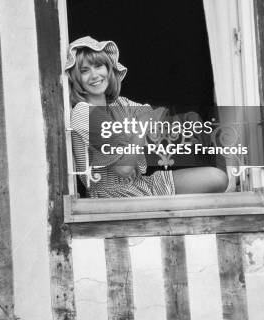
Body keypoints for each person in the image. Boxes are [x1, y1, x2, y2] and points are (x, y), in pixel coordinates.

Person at [65, 36, 228, 198]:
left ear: (108, 69)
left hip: (139, 184)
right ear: (76, 77)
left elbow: (151, 114)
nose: (94, 75)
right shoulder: (83, 112)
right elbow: (123, 169)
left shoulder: (119, 104)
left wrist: (186, 119)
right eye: (84, 70)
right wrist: (140, 128)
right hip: (112, 196)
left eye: (98, 66)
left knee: (218, 178)